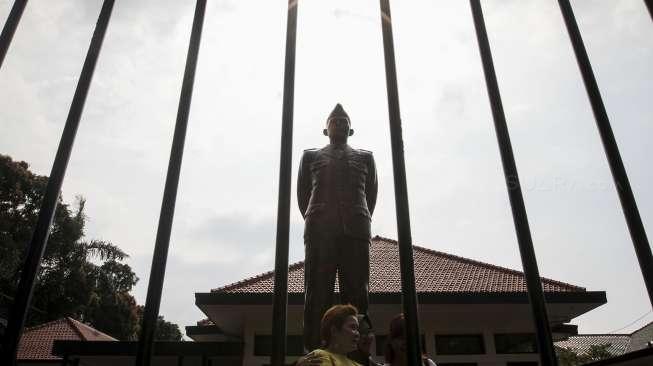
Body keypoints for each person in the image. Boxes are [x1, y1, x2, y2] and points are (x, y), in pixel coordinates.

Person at [298, 103, 378, 351]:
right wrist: (321, 217)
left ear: (351, 130)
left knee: (357, 292)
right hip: (320, 228)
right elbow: (303, 195)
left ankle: (358, 352)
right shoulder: (311, 156)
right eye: (335, 121)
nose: (340, 124)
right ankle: (315, 349)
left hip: (356, 228)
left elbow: (371, 194)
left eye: (344, 122)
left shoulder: (365, 157)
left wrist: (356, 217)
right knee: (317, 291)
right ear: (326, 129)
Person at [298, 304, 363, 366]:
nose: (357, 334)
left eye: (357, 329)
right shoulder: (318, 355)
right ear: (334, 331)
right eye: (352, 327)